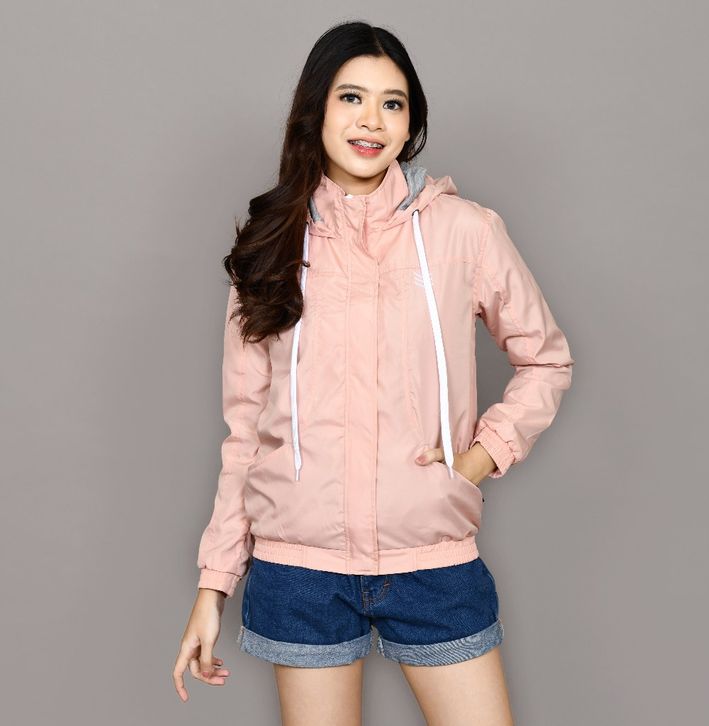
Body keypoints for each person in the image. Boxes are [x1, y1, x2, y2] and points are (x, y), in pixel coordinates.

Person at [173, 20, 574, 725]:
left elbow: (546, 359)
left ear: (411, 122)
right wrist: (214, 586)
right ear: (316, 110)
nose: (372, 120)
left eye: (393, 103)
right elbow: (246, 433)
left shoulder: (464, 231)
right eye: (351, 97)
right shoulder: (272, 244)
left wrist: (479, 458)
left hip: (433, 560)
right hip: (299, 570)